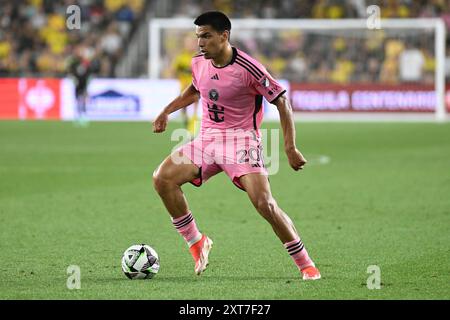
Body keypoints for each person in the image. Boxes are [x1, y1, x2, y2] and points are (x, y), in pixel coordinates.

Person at [152, 11, 320, 280]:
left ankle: (306, 264)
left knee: (264, 204)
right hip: (207, 138)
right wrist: (166, 111)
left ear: (224, 36)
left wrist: (290, 147)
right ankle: (197, 241)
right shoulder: (199, 64)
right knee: (162, 179)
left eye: (206, 36)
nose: (200, 43)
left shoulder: (249, 68)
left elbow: (281, 101)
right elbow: (195, 90)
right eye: (198, 37)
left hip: (242, 141)